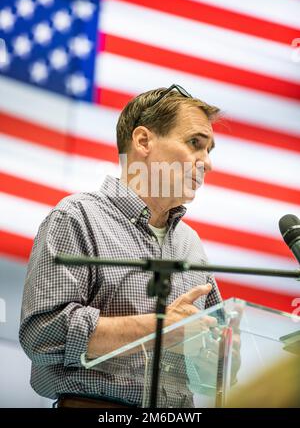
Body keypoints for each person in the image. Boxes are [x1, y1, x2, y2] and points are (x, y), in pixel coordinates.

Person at [19, 84, 223, 408]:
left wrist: (222, 356)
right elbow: (43, 336)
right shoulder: (76, 217)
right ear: (143, 141)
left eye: (210, 150)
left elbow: (212, 370)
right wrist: (157, 328)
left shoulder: (192, 245)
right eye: (195, 143)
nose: (207, 163)